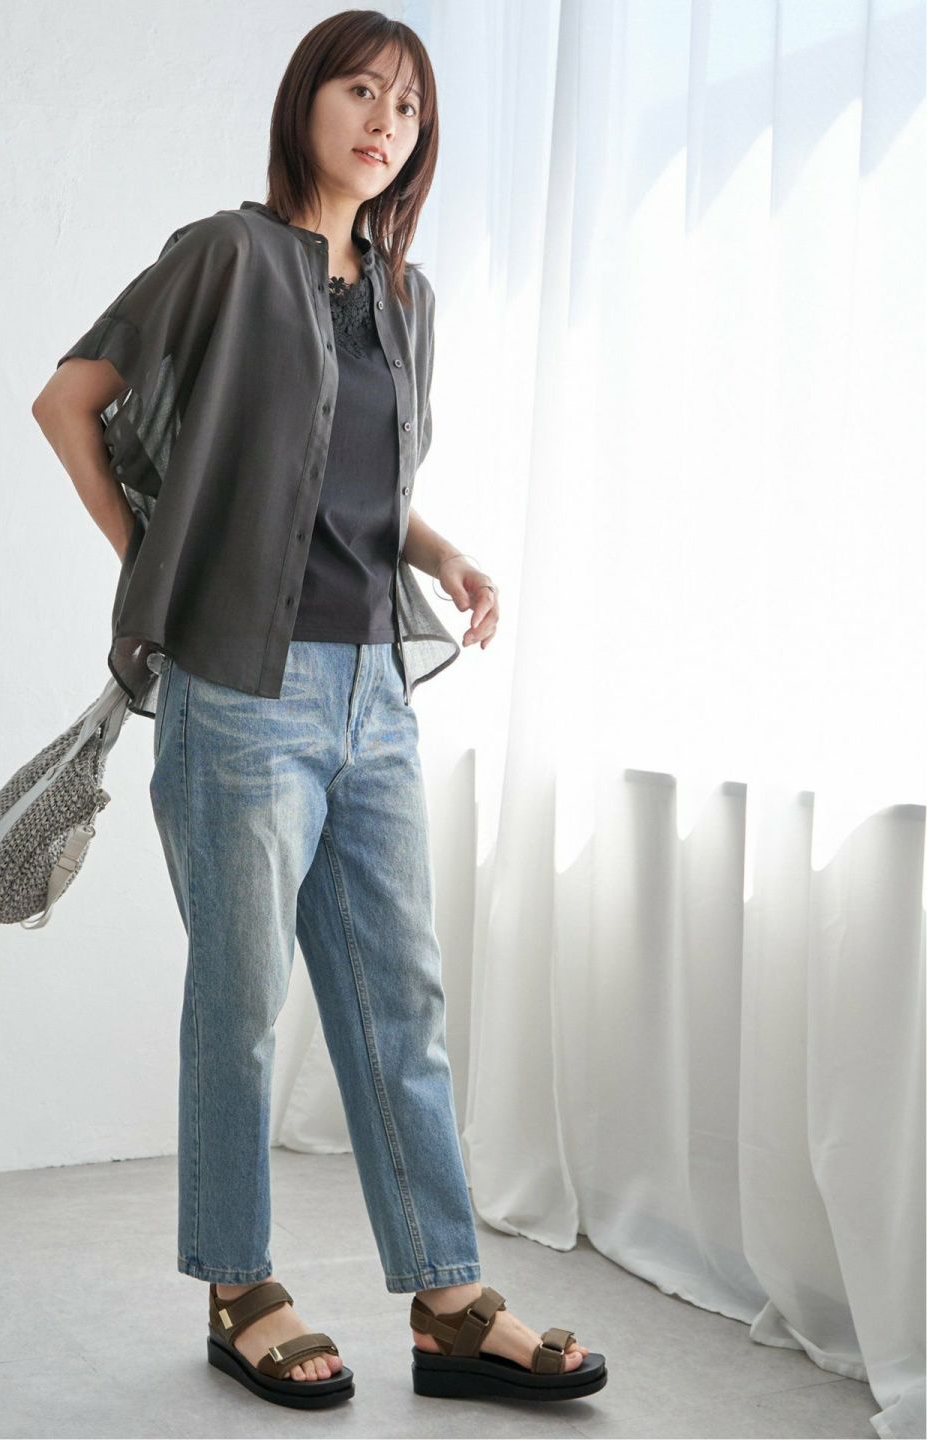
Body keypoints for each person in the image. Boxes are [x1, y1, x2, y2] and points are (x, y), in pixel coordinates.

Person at [33, 9, 605, 1412]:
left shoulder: (407, 298)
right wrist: (160, 569)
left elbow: (348, 486)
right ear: (306, 103)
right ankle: (240, 1287)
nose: (384, 124)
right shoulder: (225, 256)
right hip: (242, 686)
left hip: (375, 691)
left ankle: (448, 1302)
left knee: (400, 999)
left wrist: (443, 553)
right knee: (240, 999)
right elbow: (68, 403)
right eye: (362, 91)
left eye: (409, 108)